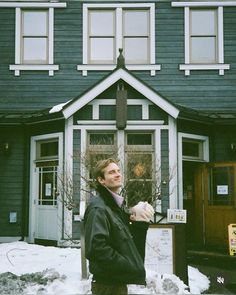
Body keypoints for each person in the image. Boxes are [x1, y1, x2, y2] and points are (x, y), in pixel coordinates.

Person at [84, 158, 154, 295]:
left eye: (118, 171)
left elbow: (120, 240)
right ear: (101, 180)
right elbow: (97, 248)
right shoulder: (99, 208)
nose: (118, 174)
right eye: (111, 172)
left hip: (116, 283)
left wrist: (138, 224)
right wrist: (127, 264)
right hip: (106, 286)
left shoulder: (114, 206)